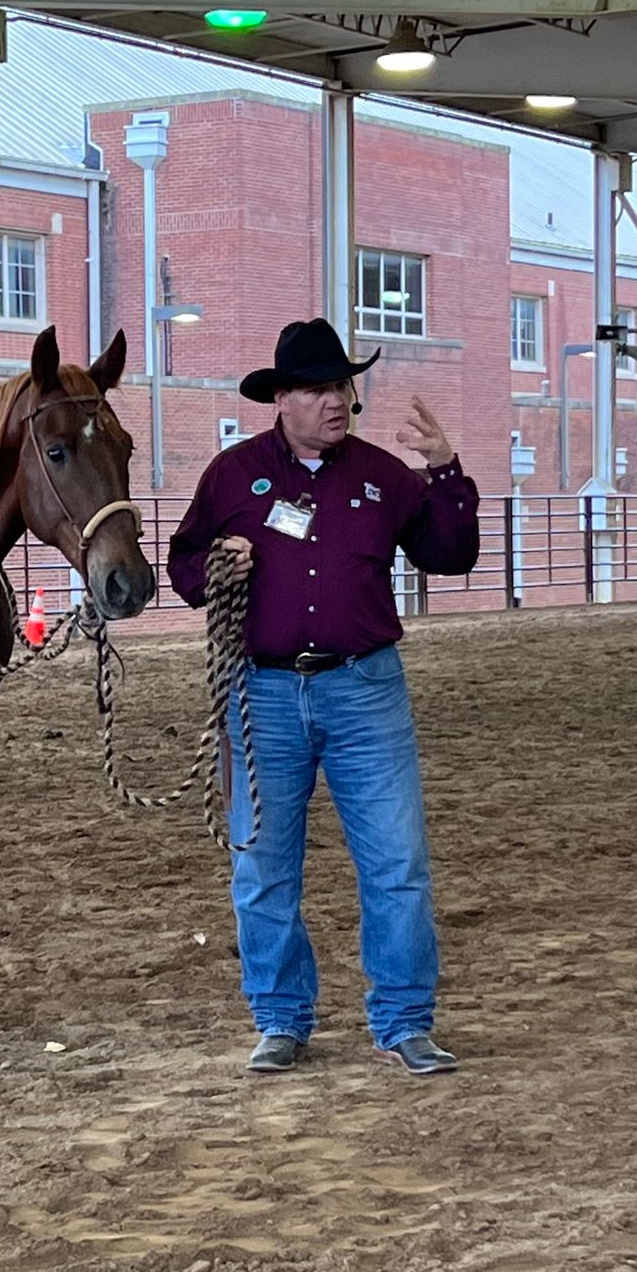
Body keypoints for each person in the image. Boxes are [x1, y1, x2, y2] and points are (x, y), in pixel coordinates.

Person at [167, 318, 479, 1076]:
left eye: (341, 386)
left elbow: (451, 554)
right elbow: (181, 568)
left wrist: (446, 472)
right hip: (262, 693)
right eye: (317, 388)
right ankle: (280, 1019)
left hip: (365, 689)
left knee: (397, 863)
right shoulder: (232, 477)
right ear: (282, 399)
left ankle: (405, 1021)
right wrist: (218, 564)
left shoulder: (383, 477)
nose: (335, 400)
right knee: (263, 868)